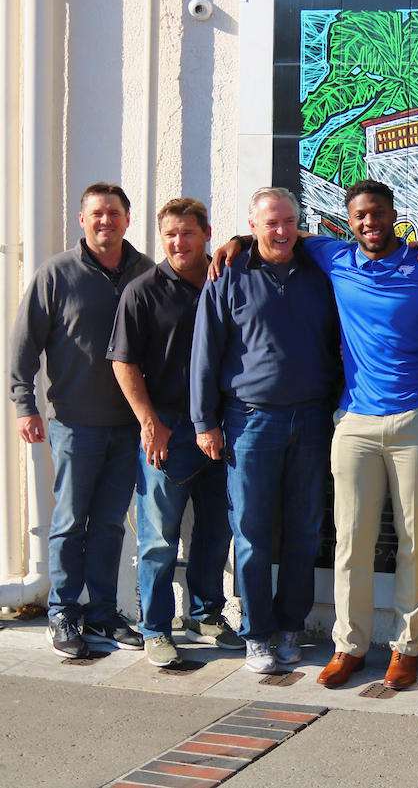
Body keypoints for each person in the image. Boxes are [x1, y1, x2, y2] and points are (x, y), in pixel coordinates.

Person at [209, 178, 418, 691]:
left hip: (416, 421)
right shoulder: (333, 257)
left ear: (392, 214)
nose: (370, 223)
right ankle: (349, 645)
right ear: (350, 219)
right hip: (355, 423)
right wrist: (238, 242)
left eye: (378, 214)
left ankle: (406, 649)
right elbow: (275, 236)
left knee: (414, 542)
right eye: (360, 215)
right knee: (351, 541)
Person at [191, 187, 341, 674]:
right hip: (250, 422)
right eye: (271, 223)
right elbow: (205, 354)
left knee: (304, 529)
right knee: (251, 532)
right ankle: (257, 633)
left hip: (312, 420)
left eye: (289, 221)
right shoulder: (228, 274)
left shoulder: (320, 275)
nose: (281, 231)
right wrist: (204, 421)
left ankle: (291, 624)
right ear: (252, 226)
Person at [9, 183, 152, 658]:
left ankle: (103, 613)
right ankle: (63, 611)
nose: (105, 221)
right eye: (97, 214)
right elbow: (24, 346)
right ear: (82, 220)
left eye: (114, 213)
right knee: (70, 522)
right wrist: (24, 404)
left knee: (111, 523)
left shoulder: (145, 272)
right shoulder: (57, 274)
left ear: (127, 219)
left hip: (130, 425)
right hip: (74, 424)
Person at [109, 198, 241, 668]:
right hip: (167, 429)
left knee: (216, 528)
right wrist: (151, 424)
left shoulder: (226, 277)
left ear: (206, 234)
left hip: (224, 428)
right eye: (169, 234)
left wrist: (241, 241)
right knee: (160, 538)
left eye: (187, 233)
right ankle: (156, 629)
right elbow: (124, 362)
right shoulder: (142, 291)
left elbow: (283, 241)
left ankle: (206, 615)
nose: (178, 242)